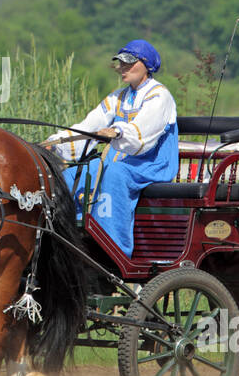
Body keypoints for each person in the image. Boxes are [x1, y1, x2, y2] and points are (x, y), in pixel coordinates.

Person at [48, 39, 177, 257]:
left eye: (129, 63)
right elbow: (87, 127)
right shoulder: (117, 98)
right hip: (118, 162)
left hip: (151, 165)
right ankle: (70, 237)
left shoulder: (159, 96)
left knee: (114, 173)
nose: (122, 68)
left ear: (146, 65)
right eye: (120, 63)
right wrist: (57, 142)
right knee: (71, 175)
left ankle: (113, 248)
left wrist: (117, 131)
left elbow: (142, 134)